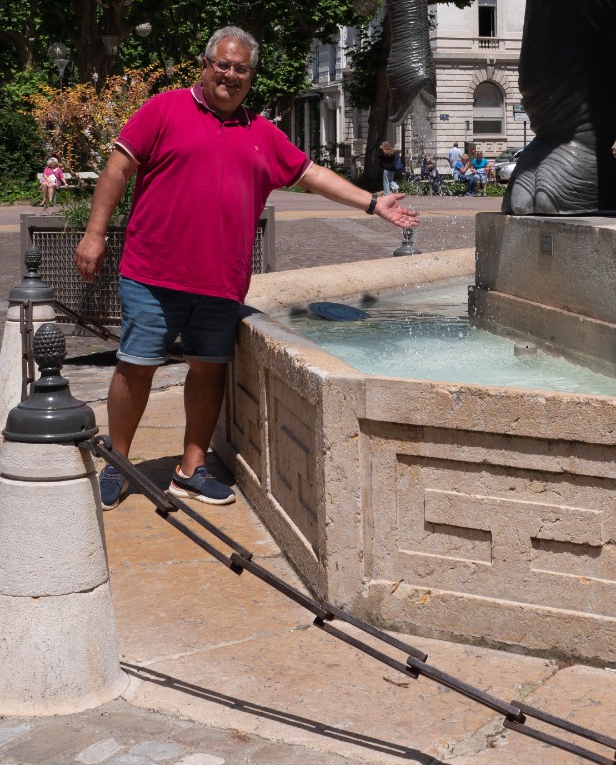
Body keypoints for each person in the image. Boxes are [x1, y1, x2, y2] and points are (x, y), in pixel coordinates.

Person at [75, 26, 419, 510]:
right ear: (205, 65)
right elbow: (116, 168)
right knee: (136, 367)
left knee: (208, 370)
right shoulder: (164, 109)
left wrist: (372, 202)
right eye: (223, 64)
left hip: (220, 279)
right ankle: (118, 463)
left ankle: (191, 470)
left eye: (241, 69)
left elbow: (311, 174)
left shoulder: (262, 132)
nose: (231, 75)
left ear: (251, 76)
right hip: (153, 274)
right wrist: (94, 234)